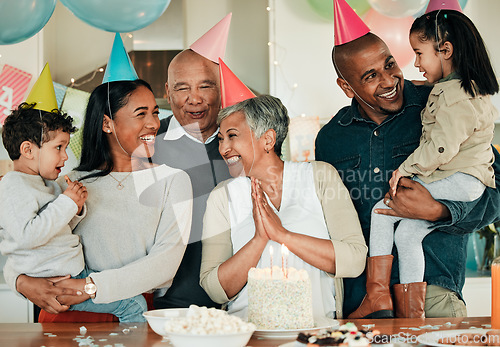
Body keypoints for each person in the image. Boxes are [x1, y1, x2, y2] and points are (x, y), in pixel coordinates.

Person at [315, 30, 500, 318]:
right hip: (362, 301)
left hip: (434, 294)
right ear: (346, 86)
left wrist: (440, 210)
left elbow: (491, 186)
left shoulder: (441, 103)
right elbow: (326, 222)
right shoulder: (331, 139)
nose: (389, 81)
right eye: (370, 76)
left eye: (389, 64)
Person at [12, 79, 193, 319]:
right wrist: (20, 281)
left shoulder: (174, 181)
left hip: (133, 314)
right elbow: (27, 239)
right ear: (107, 123)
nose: (153, 124)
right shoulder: (67, 183)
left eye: (155, 113)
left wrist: (91, 286)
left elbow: (165, 263)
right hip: (65, 312)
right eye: (141, 114)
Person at [200, 94, 367, 319]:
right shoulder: (222, 196)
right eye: (221, 139)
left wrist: (282, 235)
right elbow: (214, 289)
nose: (224, 148)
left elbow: (354, 259)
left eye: (232, 136)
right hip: (248, 335)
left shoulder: (319, 176)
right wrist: (259, 240)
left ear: (268, 140)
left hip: (317, 333)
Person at [0, 102, 148, 322]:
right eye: (59, 147)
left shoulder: (42, 183)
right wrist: (67, 203)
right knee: (135, 305)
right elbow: (28, 236)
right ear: (28, 150)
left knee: (134, 303)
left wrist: (75, 208)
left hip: (69, 275)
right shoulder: (13, 186)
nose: (66, 156)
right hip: (58, 281)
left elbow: (52, 231)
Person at [152, 49, 231, 309]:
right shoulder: (147, 143)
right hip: (171, 302)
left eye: (205, 86)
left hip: (242, 298)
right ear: (167, 91)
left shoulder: (245, 137)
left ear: (220, 88)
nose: (194, 99)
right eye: (182, 88)